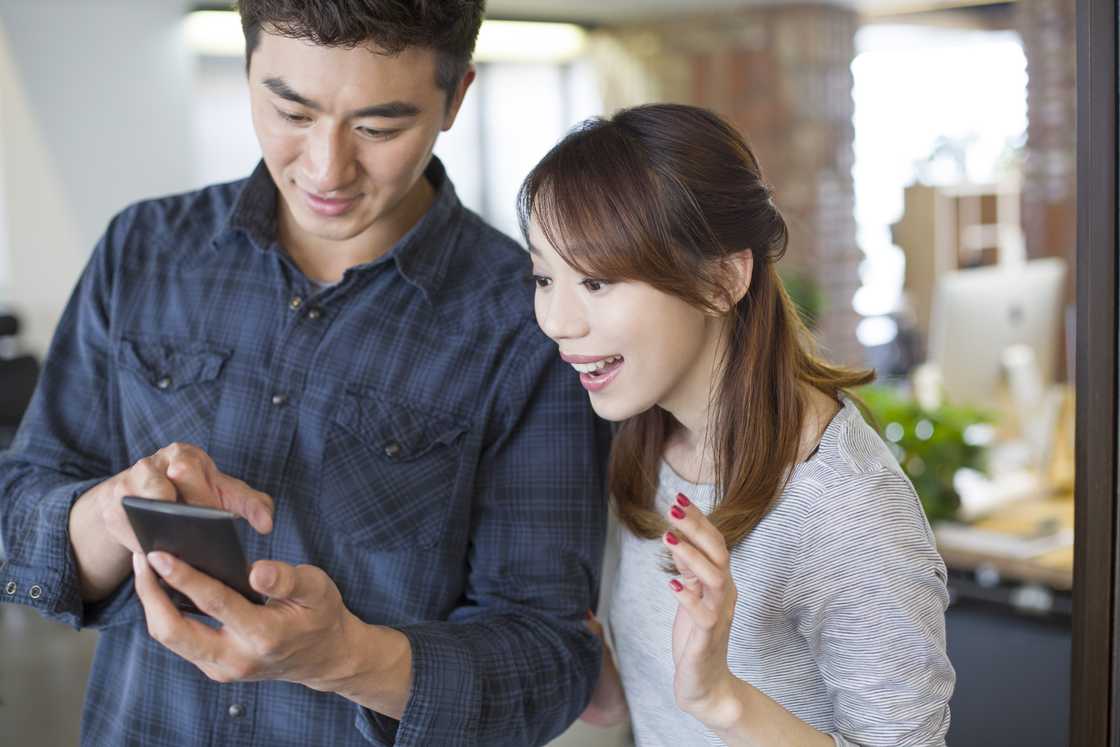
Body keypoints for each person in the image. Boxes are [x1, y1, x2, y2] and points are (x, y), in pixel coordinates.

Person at [0, 2, 611, 745]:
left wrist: (350, 659)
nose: (326, 169)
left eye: (378, 129)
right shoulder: (142, 249)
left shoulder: (528, 322)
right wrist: (109, 513)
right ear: (247, 68)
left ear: (456, 98)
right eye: (290, 112)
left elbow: (551, 656)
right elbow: (19, 505)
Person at [519, 103, 955, 746]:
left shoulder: (846, 505)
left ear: (722, 279)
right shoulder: (646, 440)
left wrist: (720, 699)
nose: (556, 321)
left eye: (597, 281)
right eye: (543, 277)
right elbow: (651, 708)